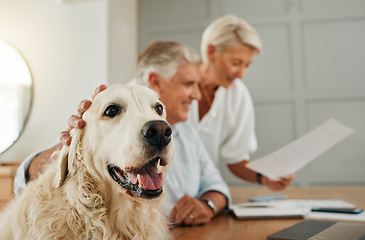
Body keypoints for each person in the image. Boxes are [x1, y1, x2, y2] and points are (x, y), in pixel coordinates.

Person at [14, 41, 230, 227]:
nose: (197, 95)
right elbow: (24, 179)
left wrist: (207, 204)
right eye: (189, 84)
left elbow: (216, 185)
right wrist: (73, 147)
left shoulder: (185, 129)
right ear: (155, 81)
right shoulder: (104, 112)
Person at [189, 14, 295, 191]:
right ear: (211, 52)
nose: (242, 74)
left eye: (247, 65)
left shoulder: (238, 95)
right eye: (236, 63)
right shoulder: (173, 80)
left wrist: (264, 177)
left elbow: (236, 159)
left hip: (203, 195)